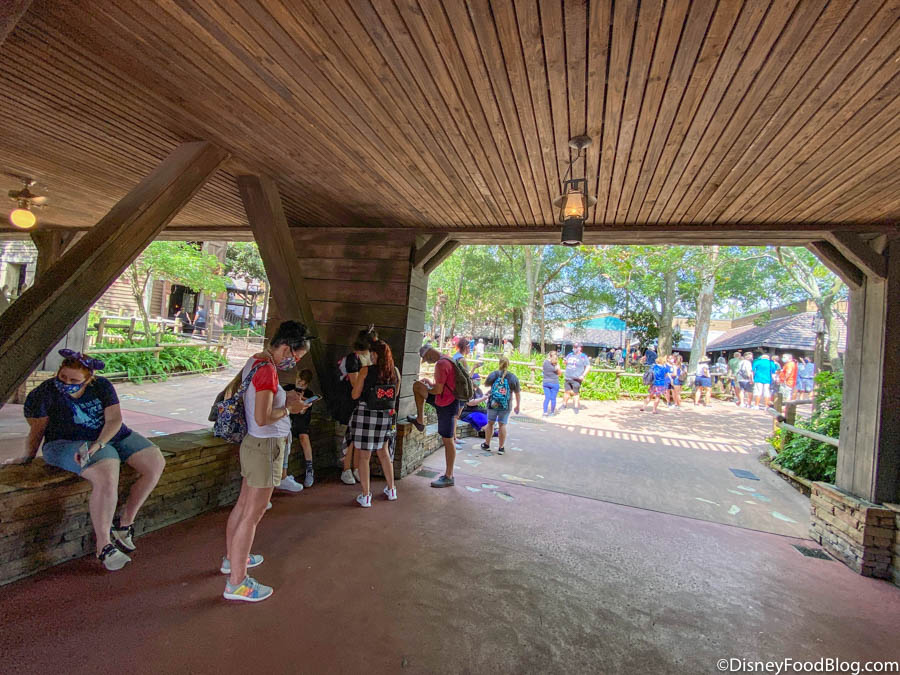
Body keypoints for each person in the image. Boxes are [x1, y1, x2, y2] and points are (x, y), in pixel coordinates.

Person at [21, 350, 166, 571]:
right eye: (63, 377)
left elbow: (114, 420)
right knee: (107, 468)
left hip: (107, 436)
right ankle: (103, 545)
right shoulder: (44, 393)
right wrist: (28, 457)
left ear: (89, 379)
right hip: (66, 442)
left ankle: (124, 523)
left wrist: (100, 443)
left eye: (74, 381)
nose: (66, 383)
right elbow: (38, 429)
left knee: (154, 462)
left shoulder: (102, 386)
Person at [222, 321, 308, 602]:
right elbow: (263, 417)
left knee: (243, 506)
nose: (294, 362)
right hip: (266, 447)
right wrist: (290, 408)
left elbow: (262, 403)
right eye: (296, 357)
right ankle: (237, 583)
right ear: (286, 348)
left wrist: (285, 398)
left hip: (254, 445)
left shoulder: (256, 360)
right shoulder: (268, 370)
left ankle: (233, 559)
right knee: (253, 515)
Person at [349, 339, 399, 507]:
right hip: (385, 416)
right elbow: (394, 395)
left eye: (371, 353)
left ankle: (366, 496)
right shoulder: (394, 372)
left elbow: (355, 395)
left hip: (366, 414)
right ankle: (392, 490)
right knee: (384, 452)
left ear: (375, 354)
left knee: (364, 456)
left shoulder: (366, 370)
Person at [407, 344, 458, 488]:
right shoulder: (448, 359)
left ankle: (449, 476)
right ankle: (420, 420)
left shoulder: (441, 364)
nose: (428, 362)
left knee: (448, 440)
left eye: (426, 359)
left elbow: (437, 390)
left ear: (429, 354)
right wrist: (430, 384)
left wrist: (429, 388)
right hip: (448, 400)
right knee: (418, 386)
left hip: (446, 403)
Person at [338, 327, 378, 485]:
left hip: (364, 402)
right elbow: (355, 384)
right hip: (350, 401)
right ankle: (346, 469)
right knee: (351, 437)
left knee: (358, 437)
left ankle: (356, 468)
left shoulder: (370, 357)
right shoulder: (352, 359)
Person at [281, 368, 316, 490]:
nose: (299, 384)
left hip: (301, 421)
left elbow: (302, 413)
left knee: (304, 437)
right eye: (298, 381)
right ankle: (283, 473)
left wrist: (302, 404)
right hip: (287, 419)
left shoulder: (309, 394)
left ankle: (309, 469)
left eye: (303, 383)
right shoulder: (288, 388)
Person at [481, 356, 521, 455]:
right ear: (508, 364)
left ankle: (487, 444)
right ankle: (501, 447)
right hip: (506, 404)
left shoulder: (494, 374)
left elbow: (486, 384)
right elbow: (517, 393)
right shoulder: (513, 377)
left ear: (499, 363)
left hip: (493, 403)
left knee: (490, 423)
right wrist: (517, 405)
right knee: (502, 424)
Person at [562, 343, 591, 414]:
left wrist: (583, 375)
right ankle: (564, 405)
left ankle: (576, 407)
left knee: (576, 393)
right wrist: (564, 362)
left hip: (577, 378)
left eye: (576, 347)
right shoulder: (570, 354)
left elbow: (588, 366)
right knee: (566, 392)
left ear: (580, 348)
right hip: (568, 377)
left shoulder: (583, 356)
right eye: (574, 347)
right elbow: (564, 362)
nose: (574, 348)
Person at [542, 350, 561, 416]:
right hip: (554, 382)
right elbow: (559, 374)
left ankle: (545, 412)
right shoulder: (556, 364)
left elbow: (543, 370)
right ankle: (552, 412)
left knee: (547, 398)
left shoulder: (545, 362)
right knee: (553, 398)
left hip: (546, 382)